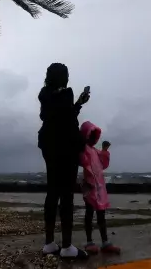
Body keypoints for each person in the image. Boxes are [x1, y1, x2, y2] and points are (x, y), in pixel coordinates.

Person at [37, 63, 90, 259]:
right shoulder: (66, 93)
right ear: (63, 77)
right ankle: (67, 247)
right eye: (66, 75)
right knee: (66, 195)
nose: (68, 78)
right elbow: (69, 121)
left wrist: (78, 103)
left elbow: (53, 116)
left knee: (52, 192)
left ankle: (49, 243)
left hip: (48, 145)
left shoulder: (45, 94)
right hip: (65, 148)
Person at [79, 122, 120, 255]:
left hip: (99, 187)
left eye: (94, 136)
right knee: (89, 213)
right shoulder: (83, 149)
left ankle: (105, 242)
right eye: (90, 135)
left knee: (101, 214)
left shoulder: (95, 151)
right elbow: (82, 160)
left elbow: (103, 164)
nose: (92, 138)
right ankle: (89, 242)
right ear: (85, 135)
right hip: (89, 186)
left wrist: (104, 150)